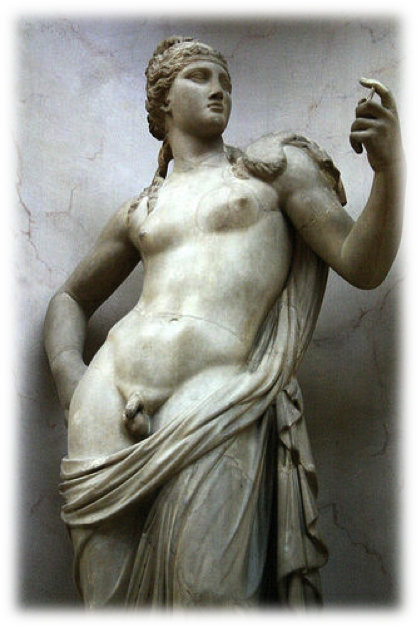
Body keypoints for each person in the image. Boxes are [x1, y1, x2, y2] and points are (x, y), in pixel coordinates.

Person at [44, 37, 406, 623]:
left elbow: (360, 262)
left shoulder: (273, 170)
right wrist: (70, 378)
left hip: (218, 399)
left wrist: (391, 171)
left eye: (226, 81)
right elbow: (69, 298)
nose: (219, 89)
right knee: (107, 612)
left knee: (213, 602)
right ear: (163, 101)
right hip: (106, 407)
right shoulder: (141, 209)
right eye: (200, 76)